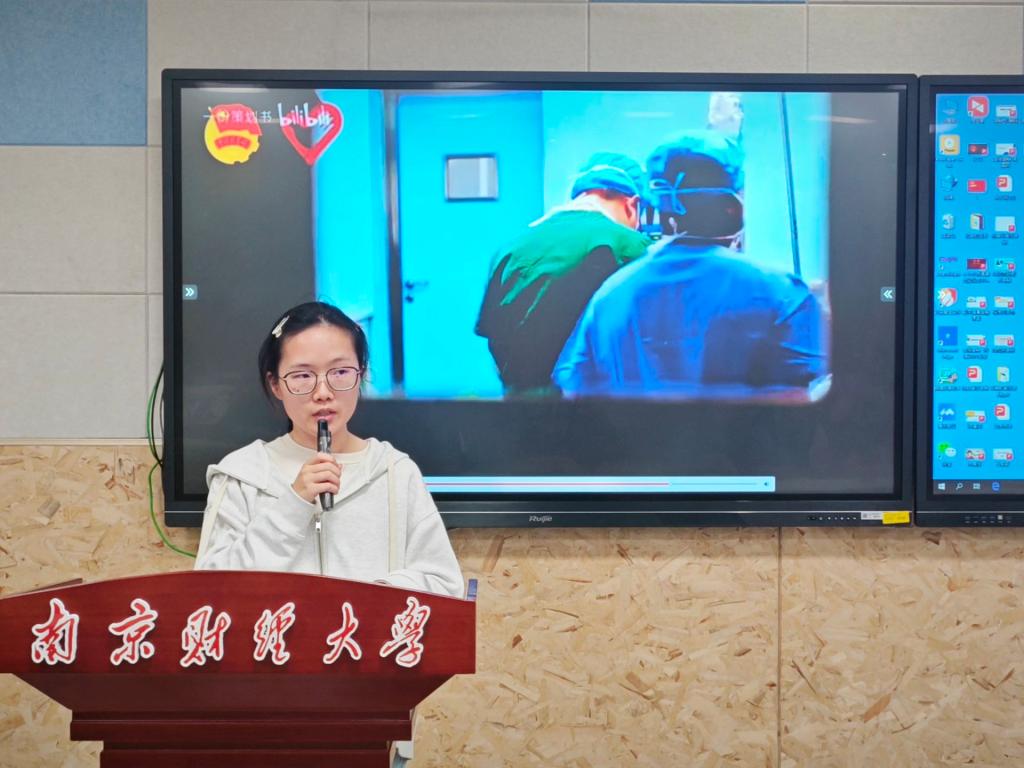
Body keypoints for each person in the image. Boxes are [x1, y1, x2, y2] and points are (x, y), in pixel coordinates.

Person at [195, 301, 463, 768]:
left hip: (370, 715)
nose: (323, 392)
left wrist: (358, 607)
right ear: (275, 384)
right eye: (302, 376)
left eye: (340, 373)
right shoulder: (243, 474)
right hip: (258, 716)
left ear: (362, 375)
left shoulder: (394, 471)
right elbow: (206, 598)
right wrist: (292, 504)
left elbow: (443, 586)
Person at [553, 132, 828, 401]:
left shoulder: (610, 297)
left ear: (658, 206)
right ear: (733, 205)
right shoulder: (779, 292)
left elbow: (576, 392)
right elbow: (799, 398)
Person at [475, 152, 652, 396]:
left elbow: (494, 336)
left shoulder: (509, 249)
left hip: (521, 404)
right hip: (597, 406)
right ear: (633, 205)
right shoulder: (631, 245)